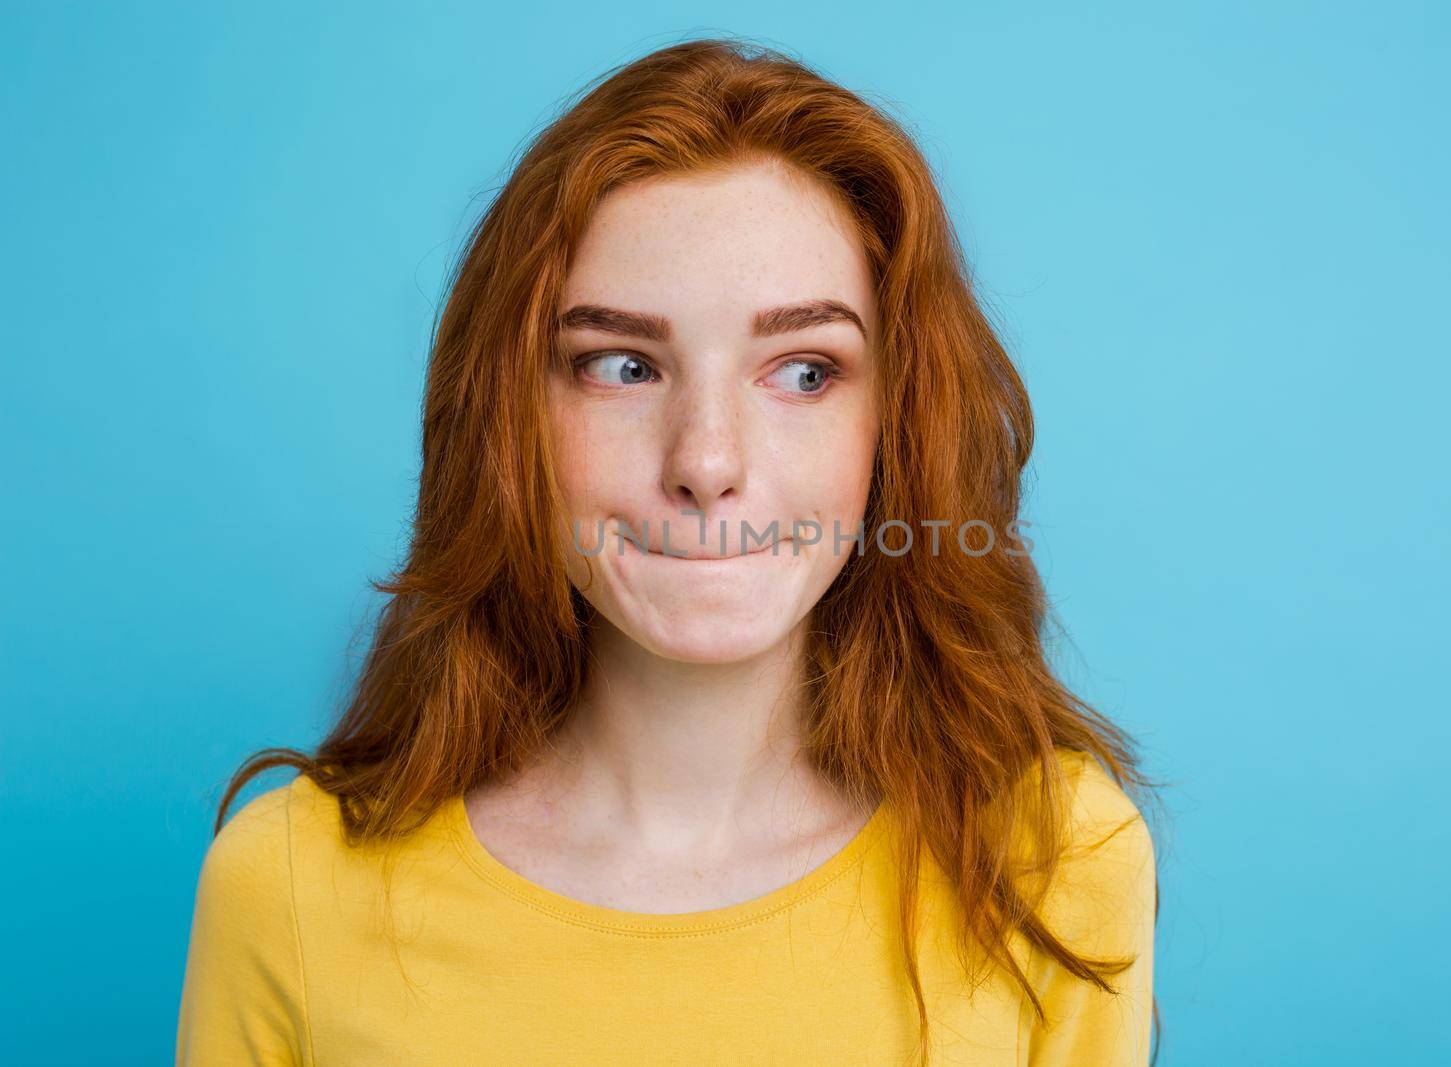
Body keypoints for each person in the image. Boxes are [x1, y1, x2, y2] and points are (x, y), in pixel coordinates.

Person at [175, 36, 1162, 1066]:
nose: (706, 460)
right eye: (621, 365)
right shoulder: (287, 885)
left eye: (805, 372)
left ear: (897, 423)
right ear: (509, 416)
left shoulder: (1056, 865)